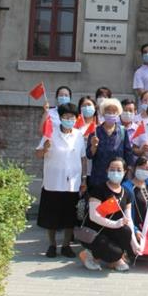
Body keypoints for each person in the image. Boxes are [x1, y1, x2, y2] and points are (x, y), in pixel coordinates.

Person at [35, 102, 86, 258]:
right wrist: (45, 148)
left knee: (69, 217)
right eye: (65, 117)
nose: (68, 120)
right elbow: (38, 154)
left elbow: (83, 158)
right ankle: (52, 245)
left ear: (76, 119)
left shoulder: (78, 135)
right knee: (51, 217)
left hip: (72, 182)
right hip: (53, 182)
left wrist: (84, 178)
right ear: (60, 118)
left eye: (71, 117)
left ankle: (66, 245)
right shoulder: (50, 132)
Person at [79, 157, 140, 271]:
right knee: (115, 252)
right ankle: (89, 255)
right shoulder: (98, 189)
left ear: (125, 172)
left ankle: (114, 259)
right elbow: (93, 216)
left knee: (126, 231)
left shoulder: (127, 193)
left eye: (119, 170)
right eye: (112, 169)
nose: (115, 172)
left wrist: (134, 243)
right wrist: (115, 224)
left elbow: (129, 219)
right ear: (107, 170)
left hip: (111, 231)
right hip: (94, 232)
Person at [86, 98, 133, 189]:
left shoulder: (122, 131)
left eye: (114, 112)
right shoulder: (95, 132)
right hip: (98, 178)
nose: (111, 114)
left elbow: (128, 154)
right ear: (103, 113)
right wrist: (93, 146)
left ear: (118, 113)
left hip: (117, 178)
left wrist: (128, 173)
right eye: (108, 111)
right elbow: (89, 155)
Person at [121, 156, 148, 241]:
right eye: (141, 168)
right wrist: (135, 230)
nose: (144, 171)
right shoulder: (126, 187)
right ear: (134, 168)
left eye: (147, 169)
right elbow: (124, 212)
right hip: (136, 231)